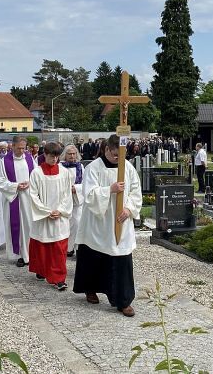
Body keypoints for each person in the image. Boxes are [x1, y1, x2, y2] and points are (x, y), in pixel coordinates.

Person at [73, 134, 142, 317]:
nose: (118, 158)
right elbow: (88, 195)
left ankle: (123, 300)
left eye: (121, 155)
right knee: (93, 256)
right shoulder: (94, 167)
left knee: (121, 258)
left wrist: (129, 209)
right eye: (114, 155)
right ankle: (90, 289)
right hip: (98, 220)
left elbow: (136, 190)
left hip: (120, 219)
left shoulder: (127, 167)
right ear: (106, 150)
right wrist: (109, 190)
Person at [28, 142, 73, 290]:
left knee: (59, 249)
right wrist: (46, 211)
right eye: (51, 157)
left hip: (59, 216)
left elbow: (67, 194)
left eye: (57, 157)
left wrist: (60, 210)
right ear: (45, 155)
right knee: (42, 246)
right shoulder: (36, 173)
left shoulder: (64, 172)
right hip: (44, 216)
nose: (55, 160)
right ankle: (42, 270)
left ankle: (59, 278)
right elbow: (33, 195)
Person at [0, 135, 35, 267]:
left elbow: (36, 175)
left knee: (29, 226)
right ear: (12, 146)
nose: (22, 151)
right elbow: (0, 181)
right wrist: (15, 186)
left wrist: (30, 183)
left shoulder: (29, 159)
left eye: (24, 148)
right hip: (13, 198)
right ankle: (19, 255)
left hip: (28, 198)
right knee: (16, 226)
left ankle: (30, 254)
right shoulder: (4, 161)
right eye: (19, 148)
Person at [60, 144, 84, 257]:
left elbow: (85, 183)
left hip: (76, 200)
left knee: (77, 224)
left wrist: (77, 188)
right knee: (66, 225)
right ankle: (67, 248)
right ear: (65, 154)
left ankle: (77, 247)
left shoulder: (80, 167)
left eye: (74, 153)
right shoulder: (60, 167)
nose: (72, 156)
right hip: (64, 200)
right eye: (69, 154)